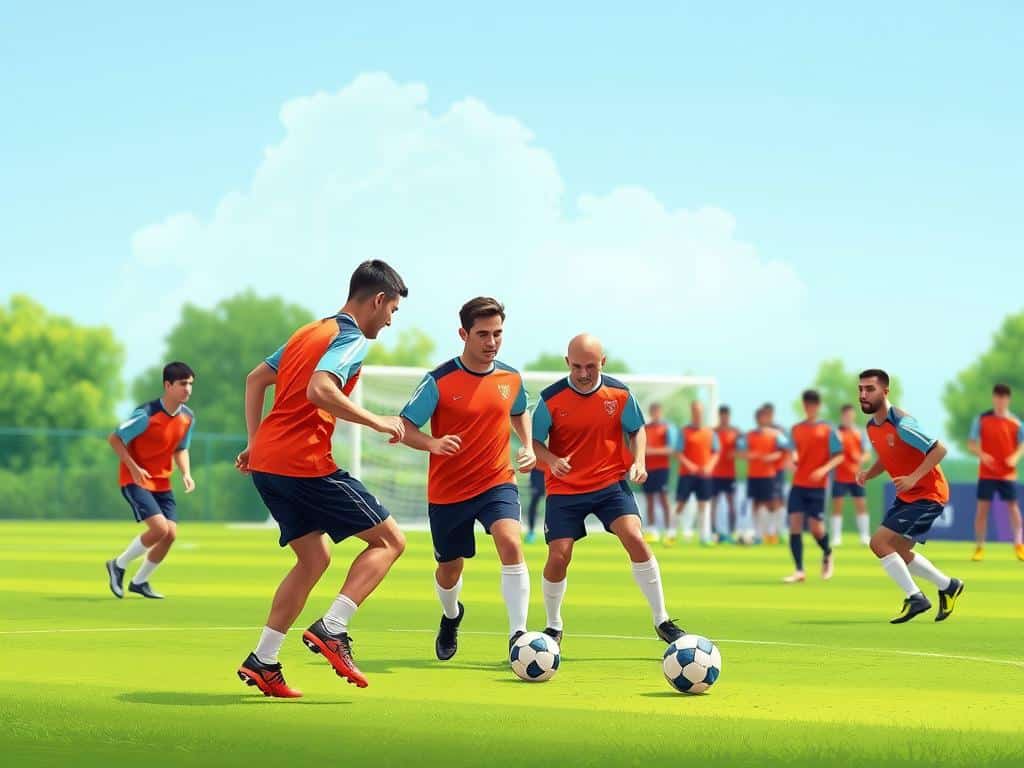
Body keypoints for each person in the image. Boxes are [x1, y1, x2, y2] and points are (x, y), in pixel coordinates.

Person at [234, 260, 409, 698]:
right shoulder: (349, 338)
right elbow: (320, 389)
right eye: (392, 311)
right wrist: (376, 421)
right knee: (390, 542)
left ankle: (264, 660)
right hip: (302, 463)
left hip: (269, 465)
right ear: (378, 300)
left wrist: (256, 444)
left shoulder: (307, 332)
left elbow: (256, 380)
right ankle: (333, 627)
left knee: (314, 559)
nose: (390, 321)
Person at [400, 297, 535, 661]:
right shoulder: (438, 381)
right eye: (483, 335)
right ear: (463, 334)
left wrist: (528, 446)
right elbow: (404, 427)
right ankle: (451, 616)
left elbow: (520, 411)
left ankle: (518, 636)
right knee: (449, 568)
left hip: (496, 483)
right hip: (448, 492)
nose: (491, 343)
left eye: (498, 334)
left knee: (511, 543)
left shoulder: (511, 378)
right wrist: (433, 442)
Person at [532, 334, 685, 647]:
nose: (584, 373)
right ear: (567, 363)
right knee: (559, 556)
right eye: (576, 367)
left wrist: (639, 460)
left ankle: (662, 620)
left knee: (635, 537)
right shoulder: (550, 399)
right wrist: (550, 459)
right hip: (564, 488)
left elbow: (636, 429)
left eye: (591, 366)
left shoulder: (620, 394)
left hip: (609, 483)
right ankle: (553, 626)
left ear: (602, 362)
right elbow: (534, 442)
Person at [858, 369, 964, 623]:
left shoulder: (903, 424)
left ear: (885, 392)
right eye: (860, 389)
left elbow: (939, 449)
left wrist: (913, 478)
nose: (863, 394)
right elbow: (887, 456)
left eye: (869, 389)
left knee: (879, 543)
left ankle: (915, 597)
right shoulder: (872, 426)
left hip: (929, 494)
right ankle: (948, 585)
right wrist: (869, 473)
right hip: (908, 496)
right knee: (898, 550)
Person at [105, 362, 196, 600]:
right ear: (168, 385)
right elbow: (115, 438)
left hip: (163, 482)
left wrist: (186, 473)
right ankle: (119, 564)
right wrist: (133, 468)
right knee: (159, 529)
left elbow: (181, 449)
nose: (188, 389)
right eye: (182, 384)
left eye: (190, 384)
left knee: (170, 535)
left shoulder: (187, 417)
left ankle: (140, 581)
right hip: (135, 480)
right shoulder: (146, 414)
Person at [783, 390, 844, 583]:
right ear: (804, 406)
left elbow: (839, 455)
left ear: (818, 406)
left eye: (813, 405)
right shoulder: (796, 429)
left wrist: (823, 470)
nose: (810, 408)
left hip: (817, 486)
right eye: (807, 405)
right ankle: (799, 570)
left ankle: (827, 553)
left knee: (816, 529)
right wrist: (791, 459)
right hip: (798, 484)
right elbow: (791, 451)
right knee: (794, 525)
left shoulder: (827, 430)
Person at [967, 383, 1024, 561]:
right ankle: (979, 547)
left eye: (1004, 397)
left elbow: (1022, 444)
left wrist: (1015, 457)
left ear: (1008, 399)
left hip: (1007, 473)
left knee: (1013, 508)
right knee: (982, 509)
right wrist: (983, 456)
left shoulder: (1016, 423)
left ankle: (1019, 544)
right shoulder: (981, 419)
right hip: (987, 472)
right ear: (993, 398)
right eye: (998, 397)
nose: (1000, 400)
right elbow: (971, 443)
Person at [672, 401, 720, 545]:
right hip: (687, 473)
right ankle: (672, 532)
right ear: (691, 412)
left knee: (704, 504)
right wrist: (690, 465)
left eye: (699, 411)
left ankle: (704, 536)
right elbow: (677, 452)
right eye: (695, 411)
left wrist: (709, 466)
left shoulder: (710, 432)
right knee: (681, 503)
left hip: (704, 475)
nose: (697, 413)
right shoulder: (684, 431)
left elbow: (716, 452)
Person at [831, 404, 873, 547]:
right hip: (839, 476)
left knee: (861, 504)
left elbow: (867, 453)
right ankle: (836, 537)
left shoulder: (860, 432)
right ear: (842, 416)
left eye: (851, 414)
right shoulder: (836, 433)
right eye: (846, 415)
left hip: (856, 475)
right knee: (837, 505)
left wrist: (860, 458)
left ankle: (864, 536)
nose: (848, 417)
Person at [642, 403, 675, 543]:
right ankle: (652, 530)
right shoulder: (645, 428)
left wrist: (652, 451)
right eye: (653, 411)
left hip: (662, 468)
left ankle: (669, 530)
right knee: (649, 499)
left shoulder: (666, 429)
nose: (655, 414)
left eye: (657, 411)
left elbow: (670, 449)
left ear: (660, 412)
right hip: (648, 468)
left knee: (664, 499)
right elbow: (640, 448)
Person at [711, 405, 742, 543]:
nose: (724, 418)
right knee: (713, 503)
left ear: (729, 416)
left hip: (730, 474)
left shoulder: (736, 433)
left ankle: (732, 531)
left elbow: (743, 450)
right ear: (719, 416)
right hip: (715, 473)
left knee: (731, 504)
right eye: (722, 416)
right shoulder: (713, 432)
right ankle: (713, 532)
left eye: (726, 416)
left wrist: (736, 453)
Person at [525, 468, 546, 544]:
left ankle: (558, 530)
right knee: (532, 507)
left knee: (555, 505)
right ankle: (531, 532)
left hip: (550, 475)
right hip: (537, 477)